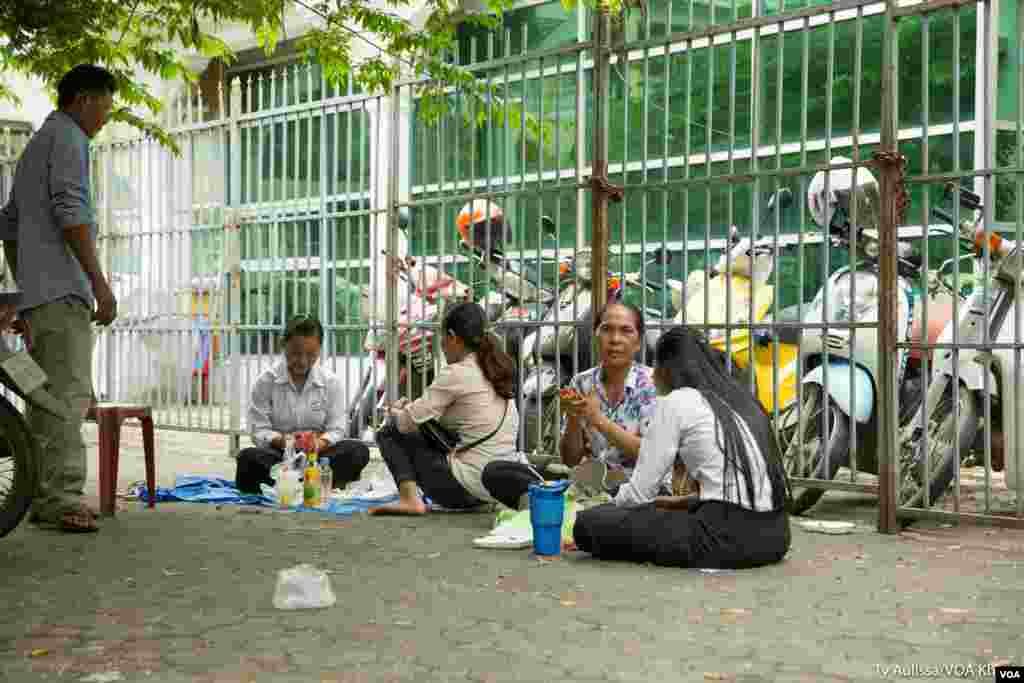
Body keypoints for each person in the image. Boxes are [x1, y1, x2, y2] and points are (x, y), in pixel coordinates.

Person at [0, 64, 118, 532]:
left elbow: (8, 225)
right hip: (64, 293)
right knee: (67, 398)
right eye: (105, 108)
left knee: (41, 398)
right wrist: (100, 284)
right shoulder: (69, 139)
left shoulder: (34, 148)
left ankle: (40, 495)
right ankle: (64, 498)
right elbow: (73, 213)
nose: (106, 118)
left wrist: (23, 287)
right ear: (84, 101)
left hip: (35, 298)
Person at [572, 326, 792, 569]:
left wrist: (608, 506)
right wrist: (691, 502)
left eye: (655, 366)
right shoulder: (741, 399)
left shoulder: (677, 401)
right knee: (660, 512)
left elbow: (638, 495)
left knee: (588, 523)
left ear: (667, 369)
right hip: (776, 536)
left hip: (723, 540)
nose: (653, 375)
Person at [481, 301, 659, 510]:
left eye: (626, 331)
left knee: (603, 508)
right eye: (607, 330)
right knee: (496, 472)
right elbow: (570, 460)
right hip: (587, 483)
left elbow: (650, 454)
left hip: (635, 489)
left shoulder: (652, 384)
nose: (615, 339)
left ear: (638, 342)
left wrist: (596, 419)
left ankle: (556, 507)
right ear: (595, 336)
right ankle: (563, 506)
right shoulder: (582, 382)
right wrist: (574, 417)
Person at [370, 301, 520, 515]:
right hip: (497, 488)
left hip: (465, 488)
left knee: (388, 431)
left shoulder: (457, 373)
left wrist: (396, 412)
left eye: (441, 338)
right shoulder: (494, 369)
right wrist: (412, 412)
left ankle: (410, 499)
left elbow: (405, 424)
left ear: (453, 337)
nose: (440, 344)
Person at [236, 316, 370, 494]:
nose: (303, 361)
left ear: (320, 350)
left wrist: (318, 443)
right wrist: (285, 442)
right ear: (283, 346)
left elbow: (337, 428)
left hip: (319, 457)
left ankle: (291, 485)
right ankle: (314, 485)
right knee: (247, 458)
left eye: (311, 355)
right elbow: (257, 429)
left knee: (357, 451)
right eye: (296, 353)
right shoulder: (266, 382)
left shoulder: (331, 383)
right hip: (280, 456)